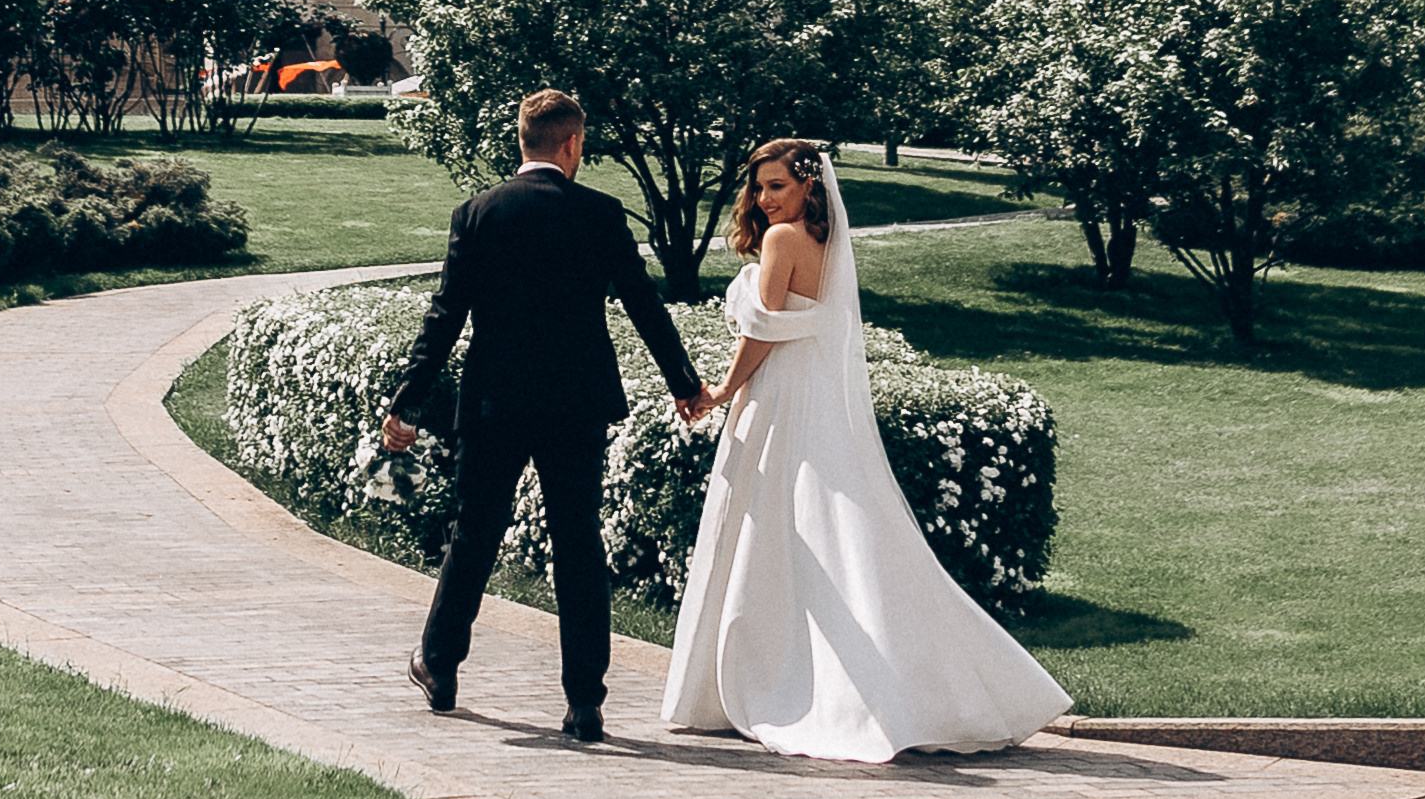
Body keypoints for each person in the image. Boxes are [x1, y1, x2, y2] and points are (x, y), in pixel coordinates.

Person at [662, 136, 1072, 761]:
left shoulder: (782, 242)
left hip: (779, 402)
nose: (765, 198)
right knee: (839, 534)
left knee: (777, 532)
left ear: (808, 186)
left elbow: (764, 330)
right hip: (816, 402)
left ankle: (775, 682)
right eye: (760, 186)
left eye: (778, 185)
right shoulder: (830, 244)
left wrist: (719, 393)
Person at [383, 85, 711, 742]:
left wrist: (406, 402)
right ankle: (584, 702)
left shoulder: (477, 213)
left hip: (494, 399)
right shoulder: (600, 213)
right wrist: (684, 382)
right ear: (571, 145)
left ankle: (440, 667)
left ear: (522, 143)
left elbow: (444, 318)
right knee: (577, 541)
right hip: (575, 399)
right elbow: (644, 306)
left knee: (475, 532)